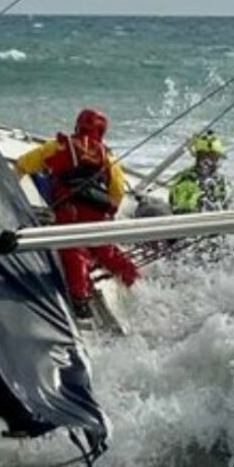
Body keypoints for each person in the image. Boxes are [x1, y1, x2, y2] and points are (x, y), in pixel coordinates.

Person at [15, 108, 139, 319]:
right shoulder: (106, 157)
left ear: (77, 126)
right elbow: (117, 190)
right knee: (107, 252)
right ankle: (134, 281)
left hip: (68, 210)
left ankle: (80, 299)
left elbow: (23, 164)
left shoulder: (60, 146)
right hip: (98, 213)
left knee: (73, 249)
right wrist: (110, 211)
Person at [169, 130, 234, 214]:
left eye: (213, 157)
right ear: (197, 157)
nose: (208, 161)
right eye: (204, 156)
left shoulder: (220, 180)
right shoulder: (187, 181)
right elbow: (185, 214)